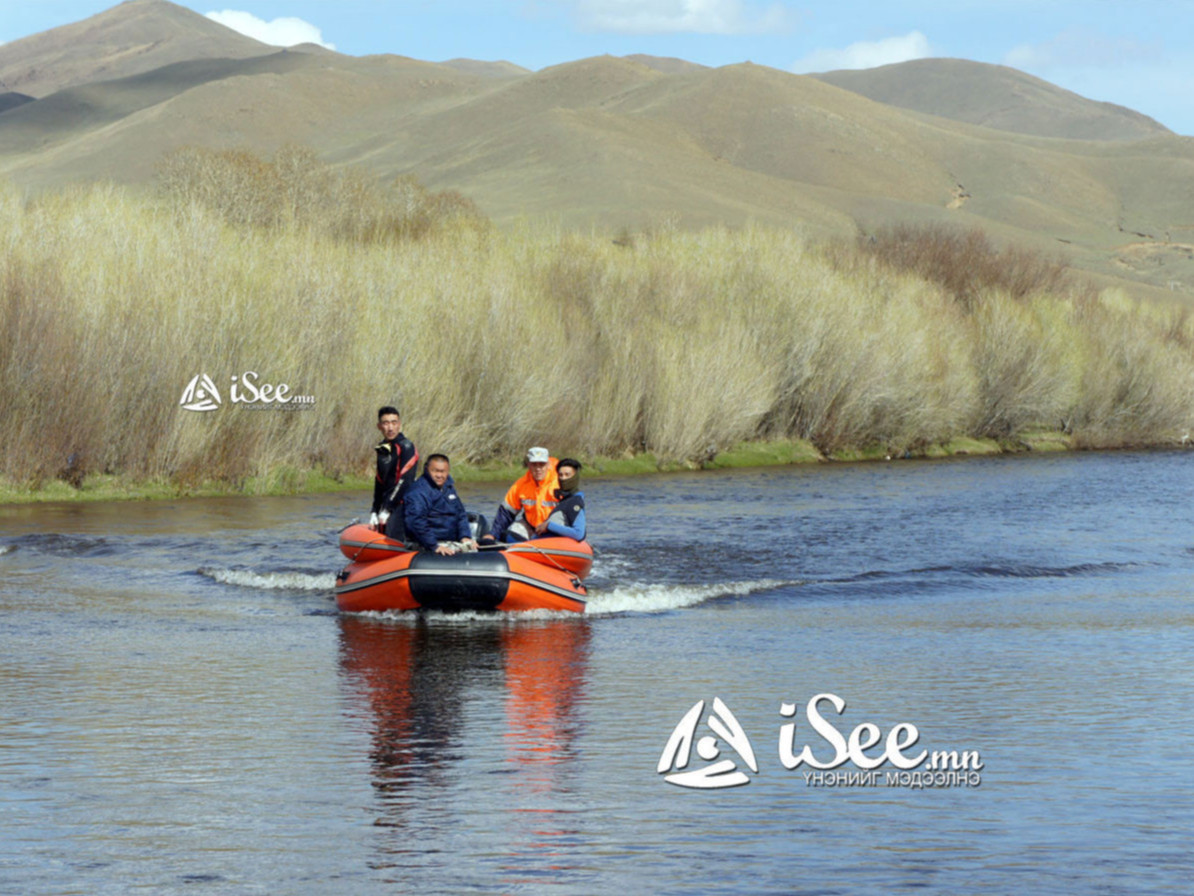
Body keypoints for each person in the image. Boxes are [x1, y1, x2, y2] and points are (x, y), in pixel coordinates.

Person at [481, 446, 560, 544]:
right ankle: (525, 549)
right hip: (530, 526)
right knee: (508, 533)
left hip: (553, 529)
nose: (538, 469)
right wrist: (493, 534)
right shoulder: (521, 484)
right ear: (528, 465)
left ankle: (532, 546)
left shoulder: (560, 483)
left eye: (542, 465)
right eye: (534, 465)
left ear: (548, 465)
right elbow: (506, 513)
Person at [403, 454, 477, 556]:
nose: (439, 475)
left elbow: (460, 514)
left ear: (448, 471)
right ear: (427, 469)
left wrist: (465, 536)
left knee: (476, 547)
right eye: (435, 471)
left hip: (451, 540)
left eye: (442, 471)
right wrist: (434, 545)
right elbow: (416, 521)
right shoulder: (418, 491)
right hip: (428, 544)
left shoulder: (449, 487)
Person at [370, 406, 418, 540]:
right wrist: (375, 509)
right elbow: (379, 481)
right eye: (386, 423)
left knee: (394, 539)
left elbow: (404, 481)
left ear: (399, 424)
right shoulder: (381, 448)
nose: (390, 428)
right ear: (379, 426)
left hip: (404, 503)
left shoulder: (407, 447)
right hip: (387, 504)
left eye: (394, 422)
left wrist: (387, 509)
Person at [544, 458, 586, 541]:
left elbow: (578, 534)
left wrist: (548, 526)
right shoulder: (564, 500)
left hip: (560, 546)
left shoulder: (575, 502)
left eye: (567, 475)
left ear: (575, 477)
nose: (563, 478)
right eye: (560, 475)